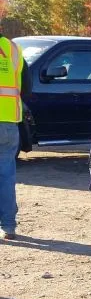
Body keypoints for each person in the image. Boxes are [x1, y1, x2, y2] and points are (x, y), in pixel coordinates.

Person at [0, 27, 31, 240]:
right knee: (6, 175)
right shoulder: (12, 49)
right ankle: (9, 227)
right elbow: (27, 87)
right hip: (8, 123)